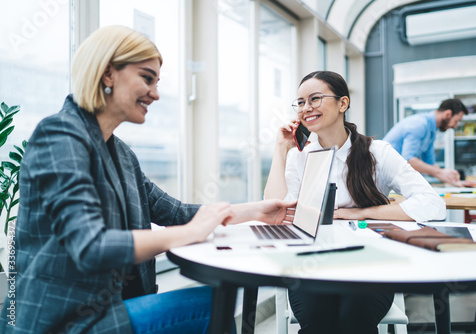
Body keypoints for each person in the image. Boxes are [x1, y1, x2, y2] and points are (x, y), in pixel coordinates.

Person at [0, 25, 295, 334]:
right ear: (108, 73)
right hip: (64, 321)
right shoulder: (58, 137)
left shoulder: (121, 154)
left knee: (217, 300)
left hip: (107, 308)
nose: (155, 93)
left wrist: (256, 211)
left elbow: (176, 214)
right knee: (212, 306)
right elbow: (90, 245)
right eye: (147, 78)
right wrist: (190, 233)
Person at [264, 70, 446, 334]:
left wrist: (360, 213)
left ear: (342, 104)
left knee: (354, 319)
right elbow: (274, 209)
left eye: (314, 99)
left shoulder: (377, 152)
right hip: (312, 266)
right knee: (317, 321)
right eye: (301, 102)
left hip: (370, 264)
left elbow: (433, 204)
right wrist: (281, 150)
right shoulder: (299, 156)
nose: (306, 108)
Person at [383, 99, 469, 187]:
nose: (455, 126)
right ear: (448, 114)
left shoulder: (431, 130)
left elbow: (430, 164)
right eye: (456, 121)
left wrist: (449, 178)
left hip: (394, 177)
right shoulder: (419, 124)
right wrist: (441, 172)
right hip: (383, 176)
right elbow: (409, 161)